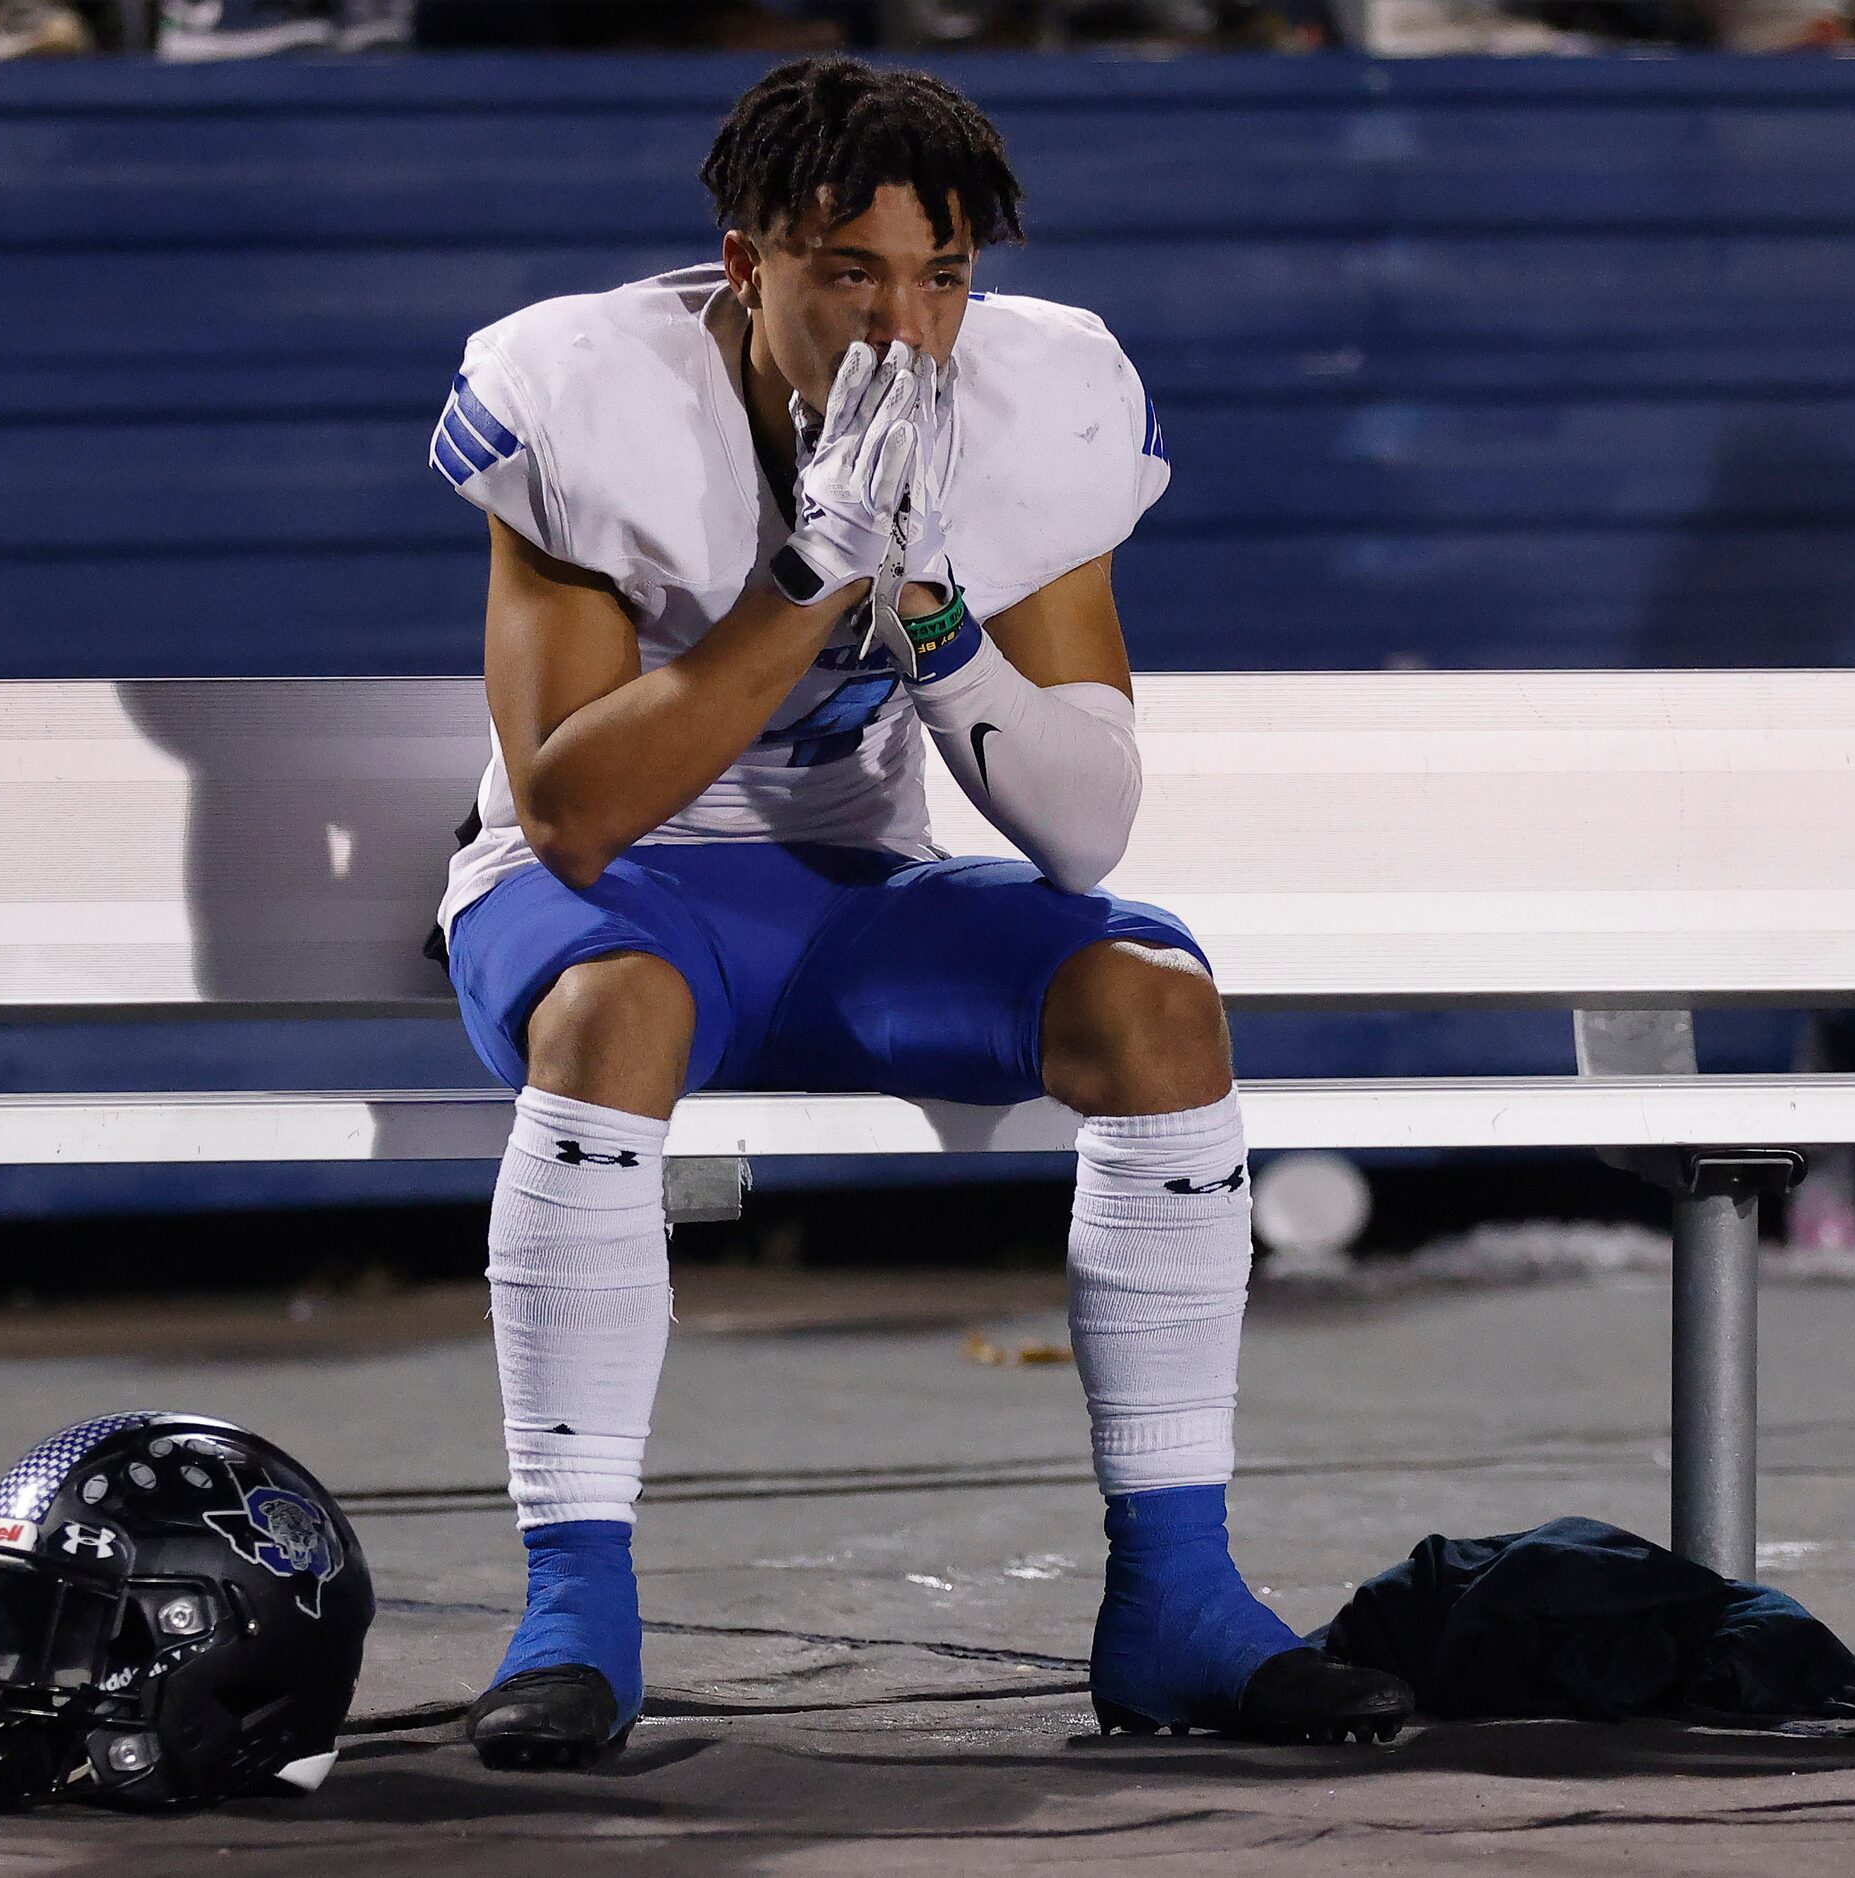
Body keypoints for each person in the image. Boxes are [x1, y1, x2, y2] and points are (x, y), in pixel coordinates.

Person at [427, 56, 1411, 1768]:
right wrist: (808, 583)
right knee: (617, 1008)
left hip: (855, 888)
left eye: (943, 275)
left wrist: (938, 627)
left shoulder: (1045, 399)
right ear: (747, 265)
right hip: (599, 894)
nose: (907, 322)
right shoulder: (585, 389)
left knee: (1156, 1000)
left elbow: (1086, 823)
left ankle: (1178, 1596)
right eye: (850, 271)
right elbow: (578, 812)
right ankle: (574, 1602)